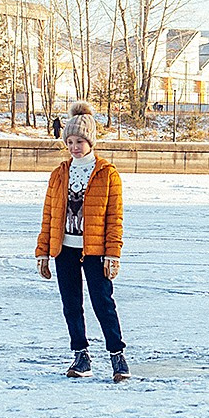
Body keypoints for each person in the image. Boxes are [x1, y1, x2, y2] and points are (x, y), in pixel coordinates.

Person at [35, 101, 129, 381]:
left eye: (80, 141)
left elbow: (115, 218)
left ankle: (117, 356)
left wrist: (113, 253)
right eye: (71, 141)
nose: (75, 147)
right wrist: (43, 251)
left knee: (103, 303)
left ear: (91, 141)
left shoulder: (107, 174)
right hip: (63, 249)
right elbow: (49, 215)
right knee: (71, 304)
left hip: (95, 251)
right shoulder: (59, 174)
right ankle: (81, 356)